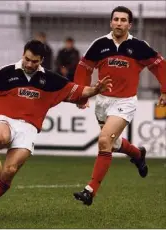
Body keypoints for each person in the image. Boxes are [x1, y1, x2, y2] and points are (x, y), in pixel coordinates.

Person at [0, 40, 113, 220]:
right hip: (6, 119)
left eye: (34, 61)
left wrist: (96, 90)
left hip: (29, 128)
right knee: (0, 138)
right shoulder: (6, 72)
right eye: (27, 59)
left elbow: (79, 91)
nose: (29, 64)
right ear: (23, 54)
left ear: (41, 60)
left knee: (10, 170)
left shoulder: (51, 80)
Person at [72, 6, 166, 206]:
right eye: (116, 19)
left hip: (125, 102)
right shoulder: (99, 45)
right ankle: (137, 154)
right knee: (112, 144)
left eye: (124, 20)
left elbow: (159, 65)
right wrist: (82, 94)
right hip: (103, 102)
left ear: (129, 24)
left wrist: (164, 90)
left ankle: (90, 190)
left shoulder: (139, 46)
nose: (119, 23)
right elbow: (84, 67)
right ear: (111, 22)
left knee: (104, 140)